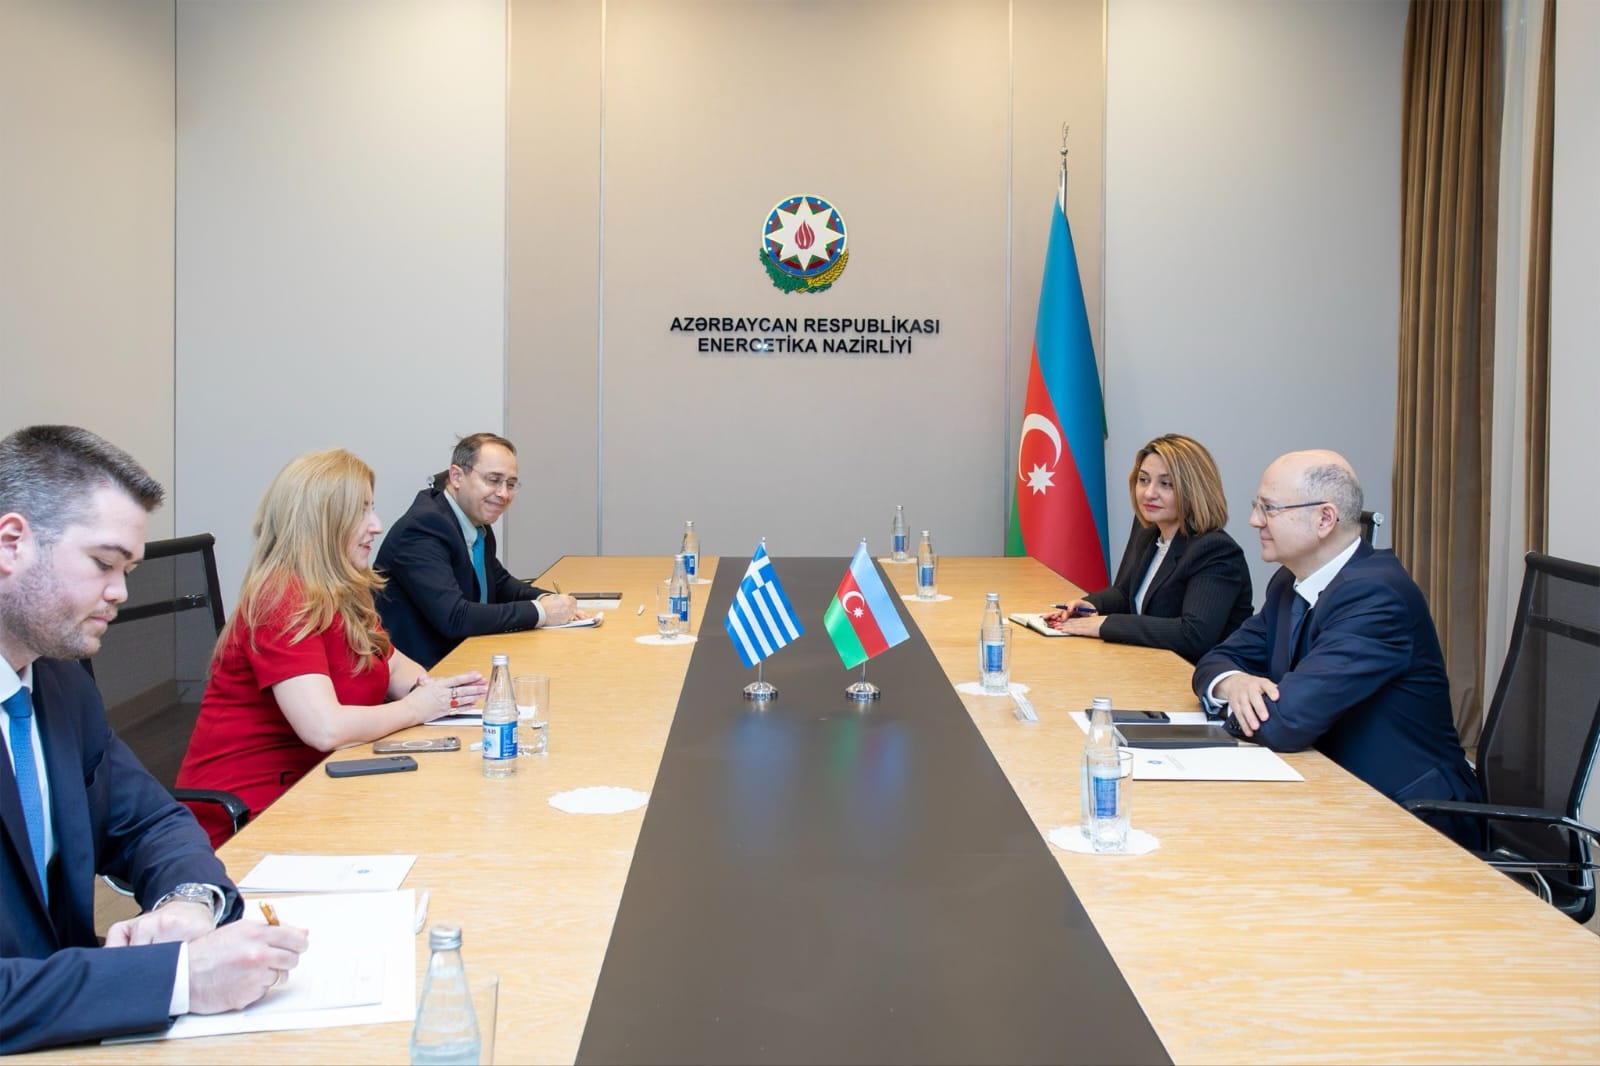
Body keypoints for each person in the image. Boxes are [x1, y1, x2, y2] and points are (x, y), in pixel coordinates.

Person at [0, 425, 309, 1052]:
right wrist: (178, 979)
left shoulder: (58, 682)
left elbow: (150, 821)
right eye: (103, 563)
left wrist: (187, 901)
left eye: (128, 569)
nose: (120, 593)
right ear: (12, 543)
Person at [176, 449, 486, 848]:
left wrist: (442, 693)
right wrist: (418, 708)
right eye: (361, 512)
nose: (376, 526)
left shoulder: (342, 591)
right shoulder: (281, 600)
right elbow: (325, 729)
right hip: (249, 821)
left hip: (318, 788)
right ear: (323, 523)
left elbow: (390, 666)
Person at [1192, 449, 1483, 849]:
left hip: (1410, 819)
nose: (1254, 520)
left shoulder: (1377, 597)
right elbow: (1216, 660)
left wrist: (1244, 701)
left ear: (1324, 519)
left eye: (1269, 508)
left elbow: (1285, 722)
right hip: (1335, 792)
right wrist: (1234, 683)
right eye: (1257, 506)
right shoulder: (1289, 582)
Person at [374, 432, 583, 667]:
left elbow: (499, 583)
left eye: (511, 484)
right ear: (456, 476)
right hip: (426, 672)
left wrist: (548, 599)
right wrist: (541, 612)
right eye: (493, 480)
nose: (504, 494)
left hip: (467, 657)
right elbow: (455, 617)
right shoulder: (423, 528)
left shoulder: (474, 521)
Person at [1044, 434, 1252, 663]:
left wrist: (1104, 625)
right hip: (1149, 664)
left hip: (1194, 674)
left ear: (1193, 491)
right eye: (1143, 480)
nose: (1149, 493)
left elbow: (1193, 634)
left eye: (1166, 484)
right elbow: (1126, 594)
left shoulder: (1216, 550)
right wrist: (1091, 605)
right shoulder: (1149, 531)